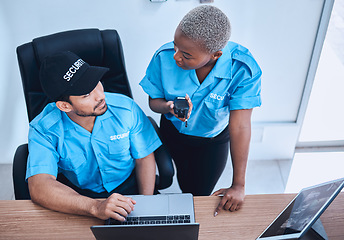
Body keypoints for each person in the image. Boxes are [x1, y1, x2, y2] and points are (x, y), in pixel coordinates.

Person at [139, 5, 262, 216]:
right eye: (176, 46)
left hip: (211, 142)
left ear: (216, 55)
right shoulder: (163, 56)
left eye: (186, 55)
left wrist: (239, 185)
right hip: (172, 133)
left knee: (198, 193)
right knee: (180, 178)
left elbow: (240, 126)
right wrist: (168, 107)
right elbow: (154, 102)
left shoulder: (243, 69)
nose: (176, 56)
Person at [26, 51, 162, 221]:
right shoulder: (43, 129)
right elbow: (40, 186)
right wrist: (95, 207)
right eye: (86, 94)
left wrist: (145, 206)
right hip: (81, 197)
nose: (101, 95)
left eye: (96, 83)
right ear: (65, 106)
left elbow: (144, 158)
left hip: (130, 187)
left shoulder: (126, 109)